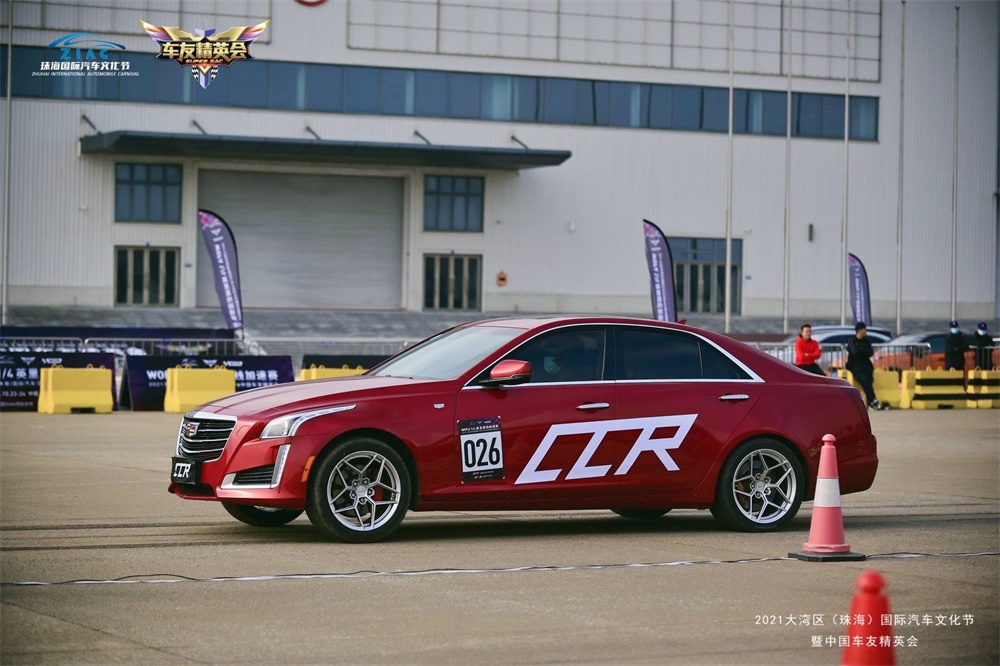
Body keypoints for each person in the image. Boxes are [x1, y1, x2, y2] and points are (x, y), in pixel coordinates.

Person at [846, 322, 886, 410]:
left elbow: (870, 352)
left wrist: (861, 352)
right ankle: (872, 401)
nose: (866, 331)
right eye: (864, 329)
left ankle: (871, 402)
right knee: (864, 381)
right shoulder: (852, 340)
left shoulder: (866, 341)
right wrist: (863, 352)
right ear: (859, 330)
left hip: (866, 365)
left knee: (869, 381)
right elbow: (854, 352)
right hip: (855, 365)